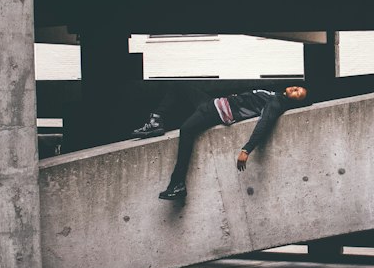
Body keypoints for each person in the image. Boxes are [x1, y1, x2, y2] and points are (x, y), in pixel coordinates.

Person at [132, 79, 309, 201]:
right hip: (214, 103)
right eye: (297, 88)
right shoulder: (275, 95)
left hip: (216, 112)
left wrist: (246, 150)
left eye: (299, 93)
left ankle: (177, 184)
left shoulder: (276, 104)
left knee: (186, 131)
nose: (296, 89)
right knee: (179, 86)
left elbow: (264, 124)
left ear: (295, 103)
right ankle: (155, 120)